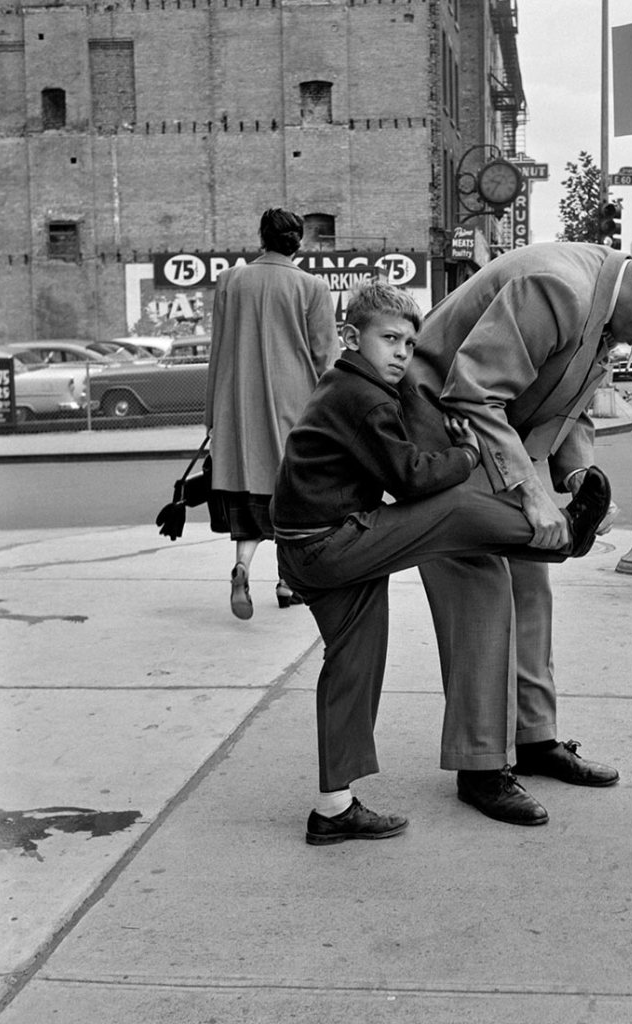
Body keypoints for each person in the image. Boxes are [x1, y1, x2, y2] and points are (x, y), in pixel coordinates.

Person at [398, 242, 632, 826]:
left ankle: (534, 738)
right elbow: (473, 392)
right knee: (480, 588)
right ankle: (480, 766)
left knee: (532, 582)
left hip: (488, 437)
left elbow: (569, 407)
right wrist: (530, 493)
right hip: (438, 439)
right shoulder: (557, 288)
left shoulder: (604, 307)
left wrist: (578, 479)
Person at [271, 282, 611, 845]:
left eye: (410, 343)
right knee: (450, 510)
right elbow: (411, 478)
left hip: (309, 547)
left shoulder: (349, 386)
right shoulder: (364, 397)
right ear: (351, 337)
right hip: (330, 543)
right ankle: (562, 535)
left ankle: (333, 808)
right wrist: (469, 453)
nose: (402, 353)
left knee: (353, 667)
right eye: (388, 339)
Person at [205, 207, 340, 620]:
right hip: (296, 408)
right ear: (299, 243)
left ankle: (242, 566)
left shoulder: (230, 281)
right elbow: (326, 359)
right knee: (292, 499)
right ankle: (287, 582)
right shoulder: (312, 287)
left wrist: (213, 417)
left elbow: (217, 352)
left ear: (261, 238)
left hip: (239, 409)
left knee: (249, 502)